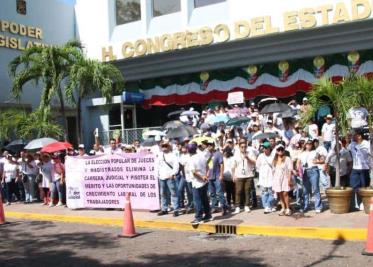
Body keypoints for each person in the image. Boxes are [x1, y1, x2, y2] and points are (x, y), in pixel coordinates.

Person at [298, 139, 323, 213]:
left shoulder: (315, 152)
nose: (309, 145)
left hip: (314, 170)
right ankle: (305, 206)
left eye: (310, 144)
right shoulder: (302, 153)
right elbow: (298, 162)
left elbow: (323, 160)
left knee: (316, 189)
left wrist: (317, 161)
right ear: (305, 145)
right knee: (305, 190)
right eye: (307, 144)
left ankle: (318, 206)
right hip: (305, 171)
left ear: (312, 145)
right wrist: (299, 168)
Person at [232, 139, 256, 214]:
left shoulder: (250, 153)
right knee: (238, 191)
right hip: (239, 175)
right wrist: (233, 175)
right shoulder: (236, 154)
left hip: (248, 175)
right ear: (239, 147)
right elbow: (233, 165)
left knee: (247, 191)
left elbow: (254, 162)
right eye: (242, 147)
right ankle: (237, 206)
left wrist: (247, 158)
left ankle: (247, 205)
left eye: (245, 147)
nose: (243, 148)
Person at [348, 130, 371, 210]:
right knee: (353, 185)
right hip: (355, 168)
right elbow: (349, 152)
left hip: (364, 168)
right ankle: (357, 203)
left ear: (359, 136)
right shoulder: (352, 144)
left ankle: (363, 203)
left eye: (355, 135)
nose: (353, 136)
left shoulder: (366, 144)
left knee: (363, 186)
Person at [189, 143, 211, 225]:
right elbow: (208, 167)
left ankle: (198, 217)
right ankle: (208, 215)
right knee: (204, 199)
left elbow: (193, 172)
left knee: (197, 200)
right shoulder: (202, 156)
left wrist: (202, 177)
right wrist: (206, 176)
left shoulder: (191, 159)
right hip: (204, 181)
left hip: (197, 182)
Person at [157, 140, 180, 217]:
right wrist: (157, 174)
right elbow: (157, 165)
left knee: (173, 193)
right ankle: (164, 209)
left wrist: (173, 173)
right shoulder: (160, 155)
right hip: (162, 177)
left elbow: (176, 166)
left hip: (170, 177)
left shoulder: (173, 155)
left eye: (166, 146)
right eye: (163, 146)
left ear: (169, 147)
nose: (164, 147)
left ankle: (176, 209)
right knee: (163, 193)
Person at [206, 141, 228, 215]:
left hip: (217, 176)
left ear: (213, 145)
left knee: (219, 193)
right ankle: (214, 207)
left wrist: (221, 175)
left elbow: (221, 164)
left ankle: (223, 207)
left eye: (210, 145)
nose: (208, 147)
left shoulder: (218, 154)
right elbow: (207, 166)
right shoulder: (207, 155)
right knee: (212, 193)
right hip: (210, 177)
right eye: (207, 145)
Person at [272, 144, 293, 216]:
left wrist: (289, 179)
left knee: (285, 194)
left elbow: (290, 170)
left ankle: (288, 208)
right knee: (280, 194)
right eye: (278, 149)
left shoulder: (287, 158)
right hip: (277, 178)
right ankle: (283, 208)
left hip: (285, 178)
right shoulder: (274, 159)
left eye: (282, 149)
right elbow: (273, 170)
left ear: (284, 150)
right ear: (276, 151)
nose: (280, 151)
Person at [256, 141, 275, 214]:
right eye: (264, 148)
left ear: (270, 148)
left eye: (266, 148)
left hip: (271, 177)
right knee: (264, 192)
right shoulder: (260, 156)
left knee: (271, 192)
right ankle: (266, 206)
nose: (265, 149)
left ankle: (271, 205)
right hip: (263, 177)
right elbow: (257, 166)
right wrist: (261, 174)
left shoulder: (273, 156)